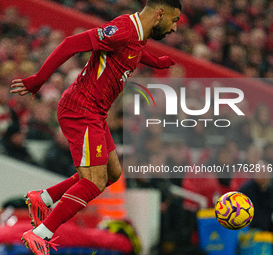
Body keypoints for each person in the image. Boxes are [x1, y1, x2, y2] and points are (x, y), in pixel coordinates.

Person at [10, 0, 181, 254]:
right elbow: (70, 44)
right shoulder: (123, 29)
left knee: (112, 173)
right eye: (174, 20)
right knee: (95, 181)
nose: (175, 28)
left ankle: (43, 198)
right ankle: (40, 234)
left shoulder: (137, 35)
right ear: (159, 14)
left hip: (96, 113)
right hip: (81, 109)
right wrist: (38, 80)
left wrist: (155, 62)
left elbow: (131, 51)